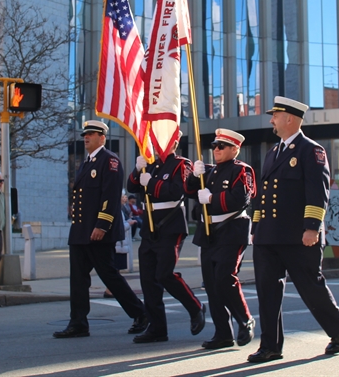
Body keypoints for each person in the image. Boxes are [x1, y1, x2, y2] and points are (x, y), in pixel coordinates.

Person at [248, 97, 339, 364]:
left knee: (310, 288)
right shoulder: (273, 152)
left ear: (290, 119)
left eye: (276, 115)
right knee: (267, 292)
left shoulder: (311, 150)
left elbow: (318, 193)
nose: (271, 119)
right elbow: (263, 195)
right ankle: (270, 346)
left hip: (298, 236)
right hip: (268, 236)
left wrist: (312, 228)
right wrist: (256, 227)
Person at [53, 120, 148, 339]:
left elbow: (110, 195)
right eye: (85, 134)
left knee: (109, 276)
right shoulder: (87, 162)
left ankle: (141, 313)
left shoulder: (109, 161)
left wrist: (102, 225)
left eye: (91, 134)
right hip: (80, 232)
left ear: (102, 138)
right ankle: (78, 322)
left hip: (97, 231)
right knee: (78, 279)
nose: (86, 137)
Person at [126, 136, 206, 344]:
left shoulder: (182, 164)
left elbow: (178, 191)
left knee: (164, 274)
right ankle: (157, 328)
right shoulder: (151, 164)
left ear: (172, 142)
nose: (156, 144)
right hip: (149, 224)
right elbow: (132, 187)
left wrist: (151, 182)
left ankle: (195, 307)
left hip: (170, 224)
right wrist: (137, 170)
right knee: (148, 279)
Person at [185, 128, 255, 351]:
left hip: (232, 229)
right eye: (214, 146)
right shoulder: (210, 172)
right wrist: (194, 176)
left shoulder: (242, 170)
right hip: (209, 232)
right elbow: (187, 190)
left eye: (222, 146)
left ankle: (245, 320)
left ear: (235, 149)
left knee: (225, 278)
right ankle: (223, 333)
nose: (216, 149)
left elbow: (240, 198)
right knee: (212, 285)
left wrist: (212, 198)